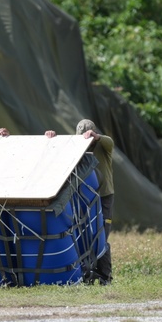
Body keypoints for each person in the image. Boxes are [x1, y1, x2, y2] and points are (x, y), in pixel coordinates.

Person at [46, 119, 115, 284]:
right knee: (82, 235)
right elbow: (59, 150)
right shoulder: (76, 147)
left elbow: (108, 141)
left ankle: (105, 276)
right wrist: (52, 138)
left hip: (104, 196)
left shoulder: (104, 146)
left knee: (101, 234)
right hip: (82, 197)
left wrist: (95, 137)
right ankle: (86, 274)